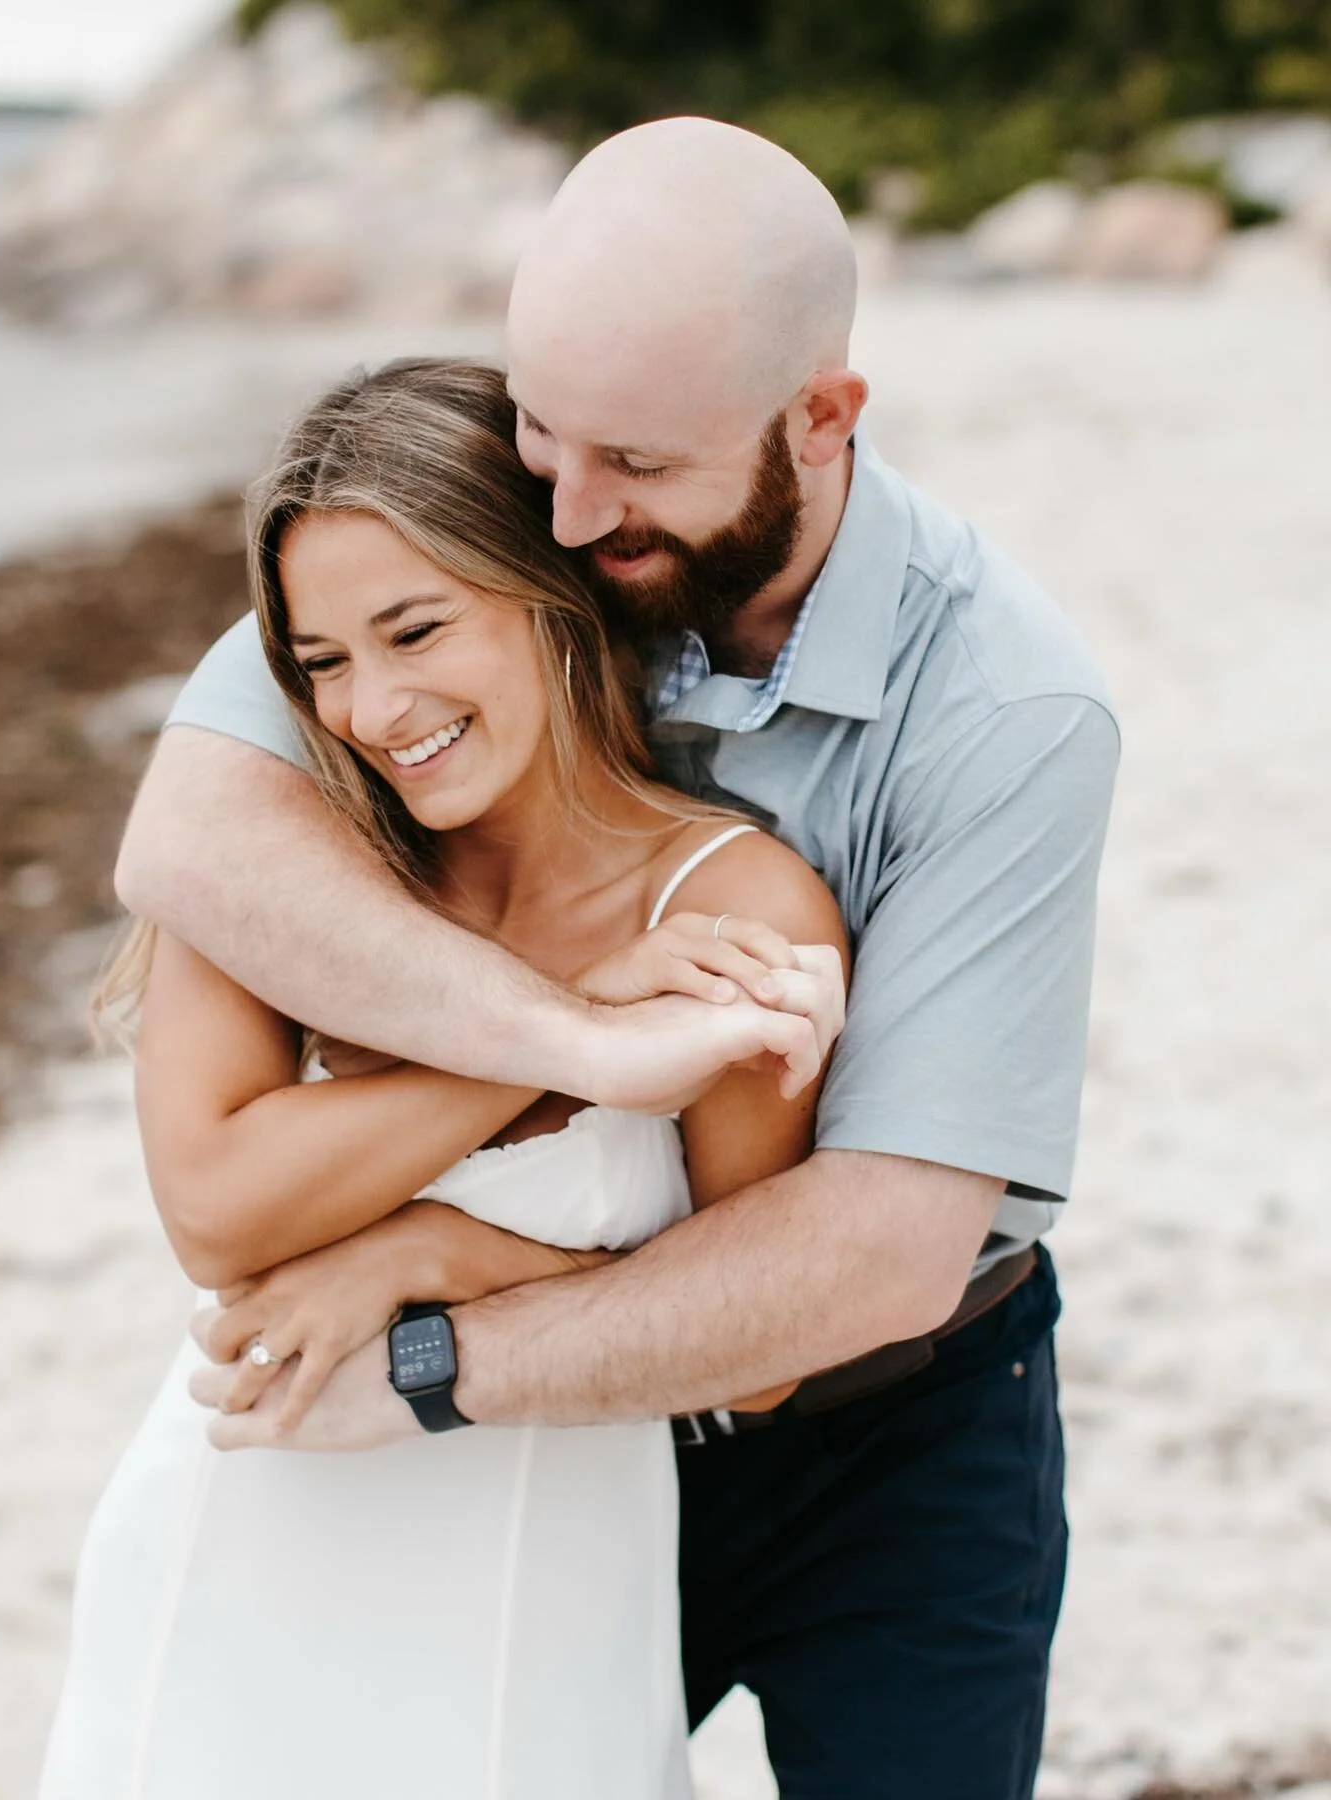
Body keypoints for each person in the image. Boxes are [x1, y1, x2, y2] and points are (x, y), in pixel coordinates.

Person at [120, 120, 1120, 1798]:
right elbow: (189, 842)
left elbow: (871, 1258)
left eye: (638, 464)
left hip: (885, 1437)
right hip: (535, 1474)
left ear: (821, 418)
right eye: (538, 424)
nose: (569, 511)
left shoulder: (1009, 710)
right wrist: (576, 1038)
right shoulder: (500, 522)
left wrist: (433, 1331)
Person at [38, 357, 847, 1800]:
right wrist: (565, 1034)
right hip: (229, 1551)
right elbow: (215, 1214)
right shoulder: (284, 871)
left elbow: (765, 1352)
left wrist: (437, 1248)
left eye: (414, 630)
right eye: (323, 661)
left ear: (550, 596)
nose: (373, 707)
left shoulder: (734, 909)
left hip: (535, 1596)